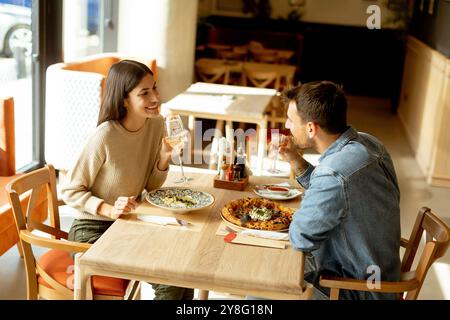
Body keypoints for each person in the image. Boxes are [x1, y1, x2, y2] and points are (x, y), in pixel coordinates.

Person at [61, 59, 194, 300]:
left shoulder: (156, 125)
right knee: (170, 283)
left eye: (154, 87)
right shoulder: (105, 136)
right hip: (92, 230)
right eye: (144, 93)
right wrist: (108, 208)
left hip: (127, 224)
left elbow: (152, 186)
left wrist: (164, 156)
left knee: (182, 273)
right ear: (124, 100)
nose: (155, 97)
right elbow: (69, 191)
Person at [279, 81, 401, 300]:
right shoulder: (369, 143)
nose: (287, 125)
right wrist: (296, 161)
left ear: (310, 128)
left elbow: (300, 237)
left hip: (354, 288)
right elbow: (339, 191)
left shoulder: (333, 172)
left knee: (263, 290)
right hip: (381, 277)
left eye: (291, 119)